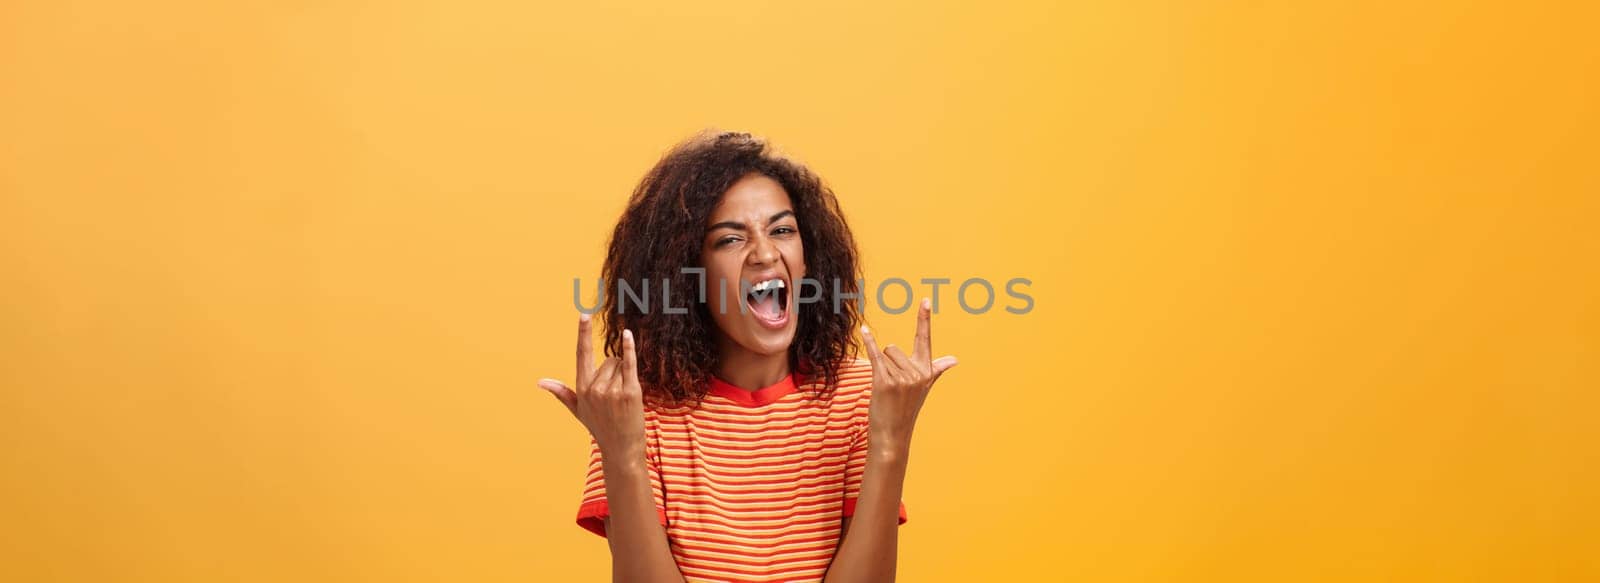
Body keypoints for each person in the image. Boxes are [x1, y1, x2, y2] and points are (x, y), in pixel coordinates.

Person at [537, 131, 958, 582]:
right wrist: (622, 455)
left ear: (807, 259)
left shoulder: (861, 397)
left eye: (782, 230)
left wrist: (891, 444)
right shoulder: (634, 413)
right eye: (730, 240)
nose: (765, 253)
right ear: (688, 276)